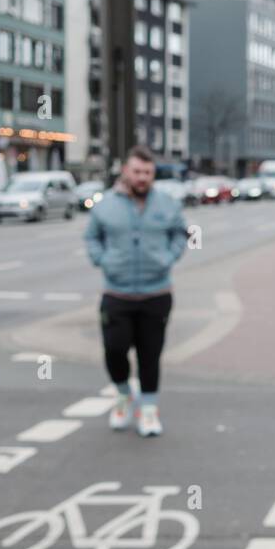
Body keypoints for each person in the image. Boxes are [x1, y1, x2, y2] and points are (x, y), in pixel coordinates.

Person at [84, 146, 189, 437]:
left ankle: (149, 411)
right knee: (114, 350)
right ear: (126, 172)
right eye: (137, 171)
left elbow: (182, 233)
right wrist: (102, 259)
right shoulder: (106, 205)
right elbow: (92, 236)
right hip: (117, 294)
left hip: (156, 293)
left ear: (153, 174)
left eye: (148, 172)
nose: (142, 177)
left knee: (150, 355)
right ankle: (123, 394)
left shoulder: (167, 204)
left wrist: (168, 258)